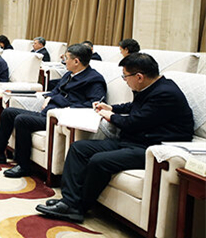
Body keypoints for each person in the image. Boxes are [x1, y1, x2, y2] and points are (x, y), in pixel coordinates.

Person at [35, 53, 194, 223]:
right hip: (134, 140)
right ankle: (69, 201)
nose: (125, 81)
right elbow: (134, 107)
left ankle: (77, 208)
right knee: (78, 148)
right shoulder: (151, 87)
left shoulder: (166, 93)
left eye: (125, 76)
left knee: (99, 161)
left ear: (139, 77)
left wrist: (110, 116)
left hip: (152, 148)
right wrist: (112, 108)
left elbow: (134, 122)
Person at [0, 44, 107, 178]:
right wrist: (49, 97)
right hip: (47, 113)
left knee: (22, 120)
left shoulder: (94, 79)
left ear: (76, 61)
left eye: (67, 58)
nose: (64, 61)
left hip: (59, 118)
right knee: (8, 112)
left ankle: (23, 165)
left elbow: (94, 104)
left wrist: (66, 108)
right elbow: (56, 90)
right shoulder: (70, 74)